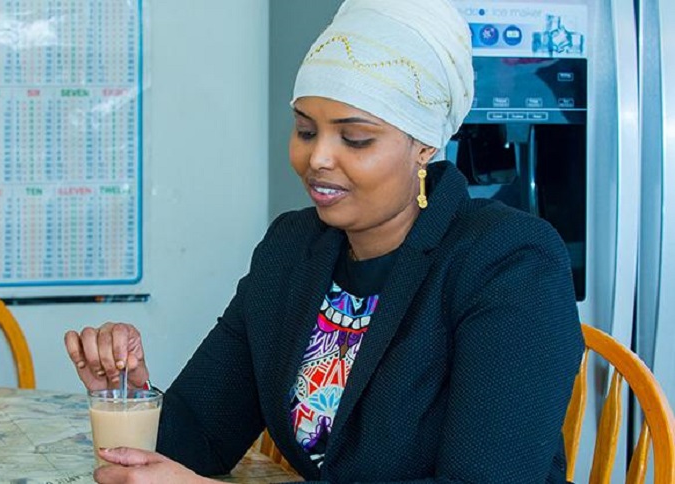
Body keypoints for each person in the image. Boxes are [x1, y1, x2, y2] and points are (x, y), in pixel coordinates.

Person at [65, 0, 584, 482]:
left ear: (424, 145)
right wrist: (128, 396)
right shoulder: (292, 250)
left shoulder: (510, 262)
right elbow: (200, 437)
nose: (317, 159)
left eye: (355, 138)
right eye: (306, 131)